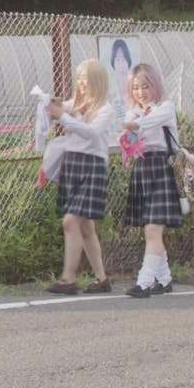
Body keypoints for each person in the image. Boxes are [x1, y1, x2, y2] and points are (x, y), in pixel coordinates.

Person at [41, 59, 121, 296]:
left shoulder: (105, 109)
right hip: (73, 163)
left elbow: (91, 133)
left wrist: (63, 116)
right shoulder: (76, 104)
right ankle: (102, 278)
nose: (82, 83)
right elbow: (57, 111)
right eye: (79, 78)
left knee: (70, 221)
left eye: (86, 78)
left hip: (92, 165)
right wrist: (48, 105)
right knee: (85, 226)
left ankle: (69, 278)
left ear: (97, 80)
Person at [118, 62, 185, 297]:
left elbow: (147, 122)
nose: (140, 92)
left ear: (155, 85)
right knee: (151, 229)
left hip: (162, 167)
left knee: (153, 228)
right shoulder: (132, 112)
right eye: (135, 88)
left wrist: (132, 125)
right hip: (143, 167)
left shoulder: (165, 108)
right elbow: (127, 137)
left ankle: (144, 282)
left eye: (145, 86)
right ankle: (164, 280)